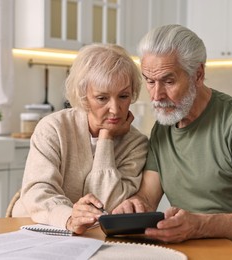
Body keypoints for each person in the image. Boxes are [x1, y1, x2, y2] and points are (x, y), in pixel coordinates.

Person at [113, 25, 232, 259]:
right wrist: (133, 206)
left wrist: (200, 226)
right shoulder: (162, 129)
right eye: (150, 82)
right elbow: (146, 198)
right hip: (202, 254)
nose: (156, 96)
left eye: (168, 81)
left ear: (198, 74)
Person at [12, 43, 148, 235]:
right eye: (102, 98)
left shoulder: (137, 144)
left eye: (123, 96)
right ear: (84, 97)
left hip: (94, 239)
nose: (115, 109)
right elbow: (38, 191)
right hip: (35, 231)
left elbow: (110, 205)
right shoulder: (53, 128)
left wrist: (106, 137)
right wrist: (69, 218)